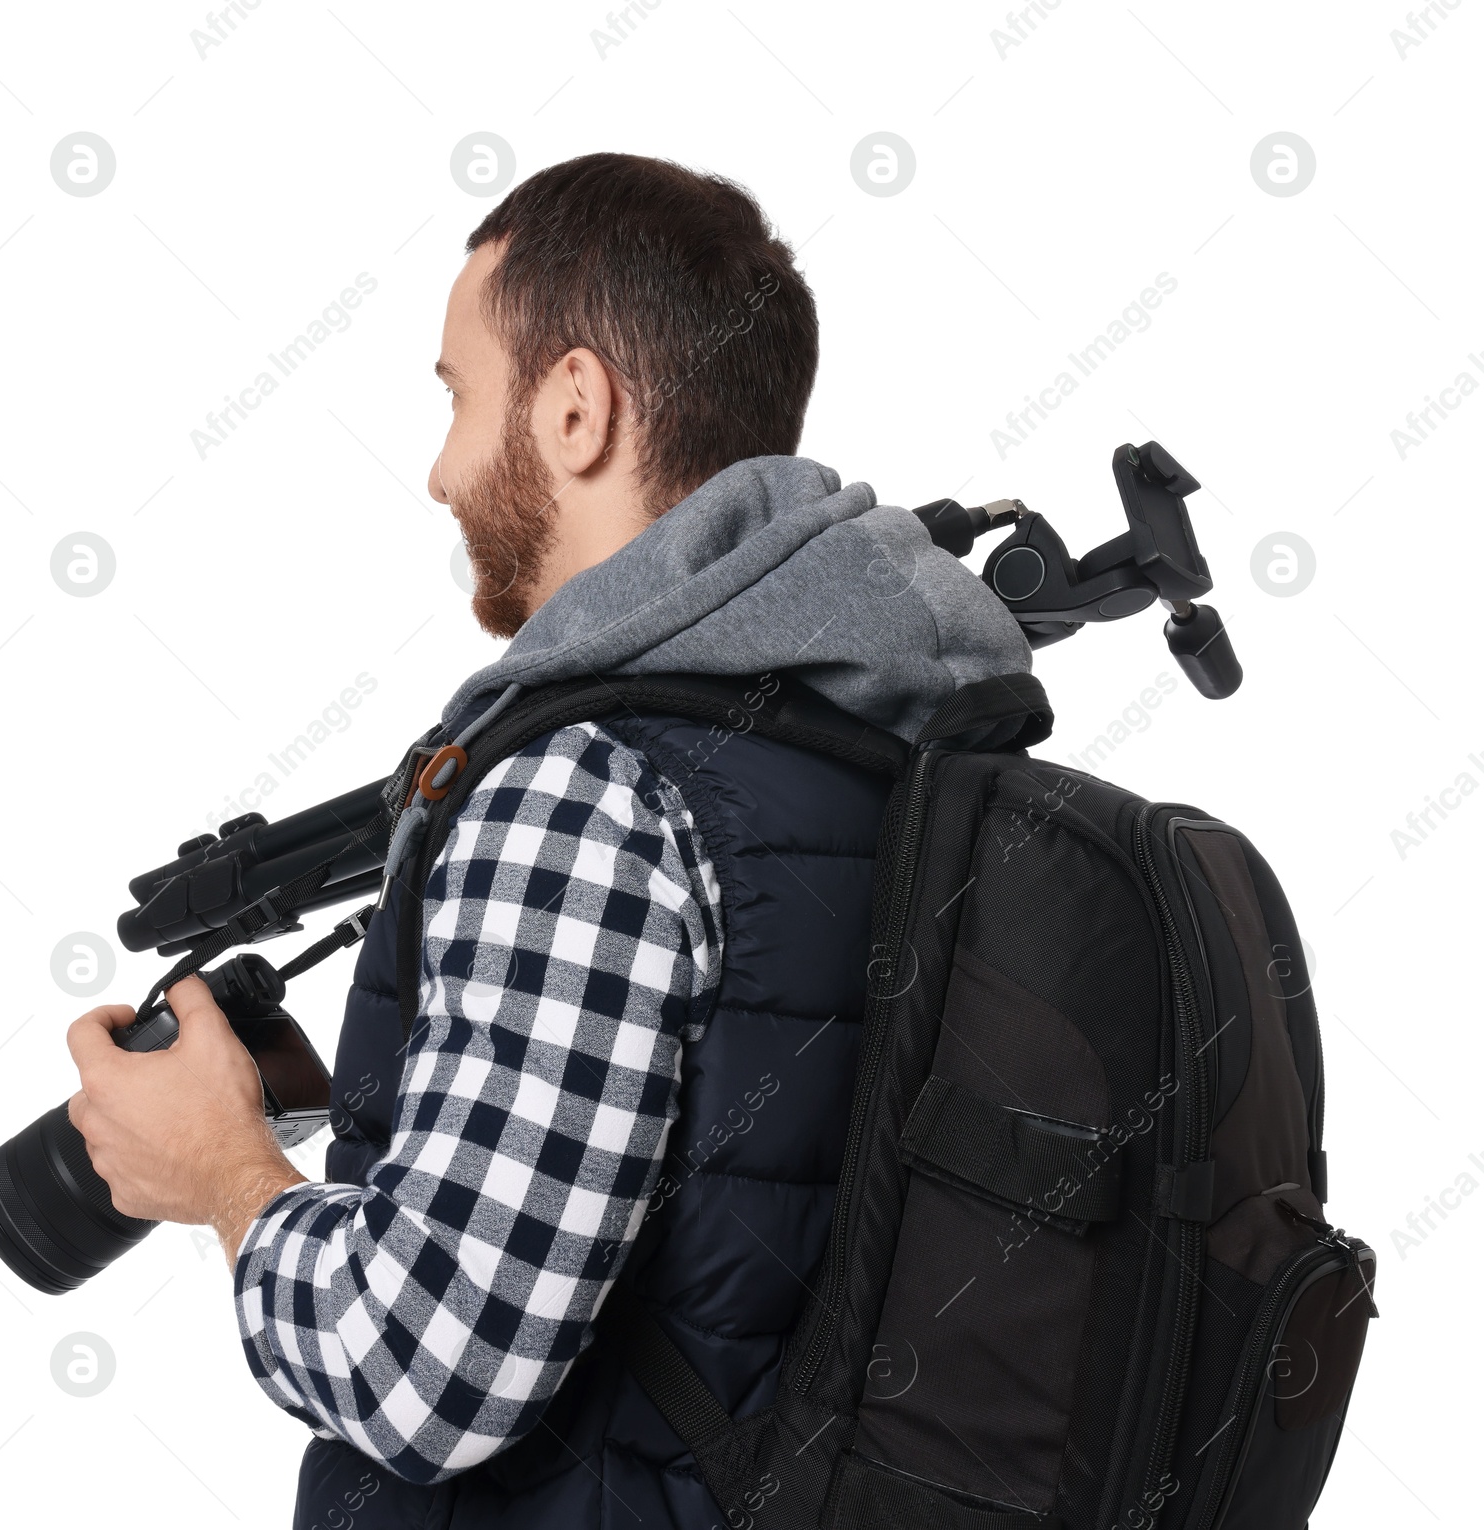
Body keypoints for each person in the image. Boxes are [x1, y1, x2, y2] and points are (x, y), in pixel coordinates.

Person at [64, 151, 1031, 1528]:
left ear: (575, 408)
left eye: (460, 396)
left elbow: (417, 1370)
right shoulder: (886, 742)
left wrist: (224, 1173)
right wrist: (348, 1101)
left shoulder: (588, 786)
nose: (445, 464)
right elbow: (727, 1188)